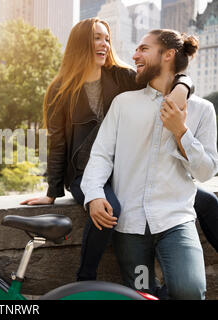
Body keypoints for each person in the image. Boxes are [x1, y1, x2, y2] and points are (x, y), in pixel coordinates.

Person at [20, 18, 208, 283]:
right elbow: (58, 143)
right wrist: (52, 193)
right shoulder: (60, 90)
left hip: (126, 172)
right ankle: (86, 276)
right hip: (85, 174)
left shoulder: (123, 77)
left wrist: (185, 84)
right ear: (80, 44)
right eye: (97, 38)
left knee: (207, 201)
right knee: (112, 207)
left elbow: (164, 79)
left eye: (107, 38)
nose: (104, 44)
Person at [81, 29, 218, 299]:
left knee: (190, 289)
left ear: (168, 55)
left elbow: (205, 171)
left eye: (143, 49)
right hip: (130, 229)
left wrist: (181, 132)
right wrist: (95, 194)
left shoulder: (202, 110)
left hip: (176, 221)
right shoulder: (124, 104)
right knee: (142, 293)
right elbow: (100, 155)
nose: (135, 55)